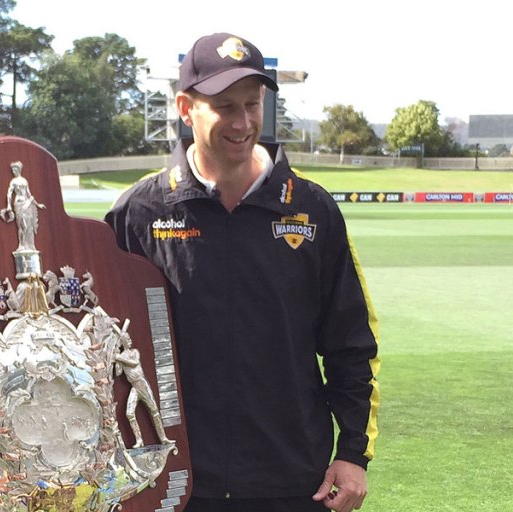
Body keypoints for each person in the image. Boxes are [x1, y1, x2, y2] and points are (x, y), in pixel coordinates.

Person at [105, 33, 380, 512]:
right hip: (171, 478)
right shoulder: (138, 212)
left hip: (294, 479)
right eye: (225, 107)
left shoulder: (313, 210)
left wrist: (353, 451)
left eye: (253, 105)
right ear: (186, 109)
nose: (243, 122)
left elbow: (351, 342)